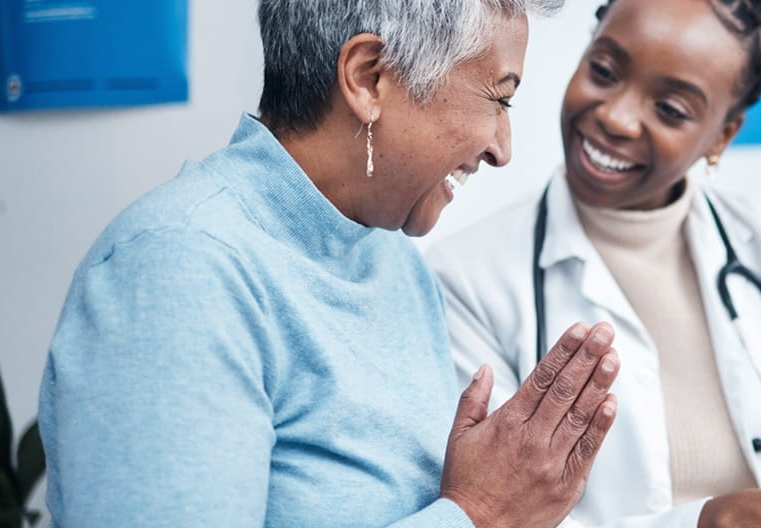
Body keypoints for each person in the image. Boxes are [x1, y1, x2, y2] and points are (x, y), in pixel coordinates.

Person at [39, 1, 624, 527]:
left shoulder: (394, 261)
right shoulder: (177, 271)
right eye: (498, 98)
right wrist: (480, 516)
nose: (503, 147)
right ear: (368, 77)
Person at [428, 0, 761, 526]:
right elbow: (503, 518)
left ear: (722, 135)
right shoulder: (465, 279)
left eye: (671, 110)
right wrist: (717, 520)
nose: (615, 117)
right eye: (604, 71)